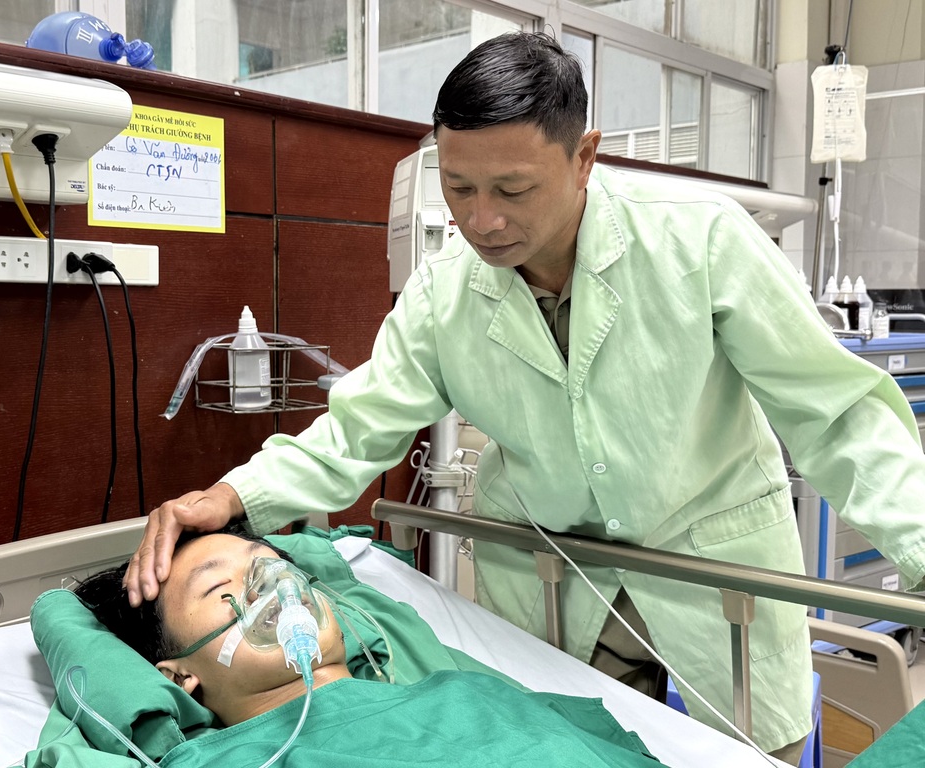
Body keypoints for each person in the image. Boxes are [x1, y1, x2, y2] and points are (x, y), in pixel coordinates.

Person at [124, 31, 925, 764]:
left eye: (512, 188)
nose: (482, 221)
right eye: (459, 187)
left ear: (584, 157)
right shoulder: (446, 293)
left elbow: (839, 413)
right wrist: (234, 496)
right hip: (554, 580)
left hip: (714, 569)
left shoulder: (700, 241)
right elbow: (357, 428)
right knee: (560, 744)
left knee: (755, 756)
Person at [58, 529, 665, 766]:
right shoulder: (216, 762)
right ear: (179, 677)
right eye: (222, 589)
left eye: (271, 564)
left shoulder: (474, 692)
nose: (272, 586)